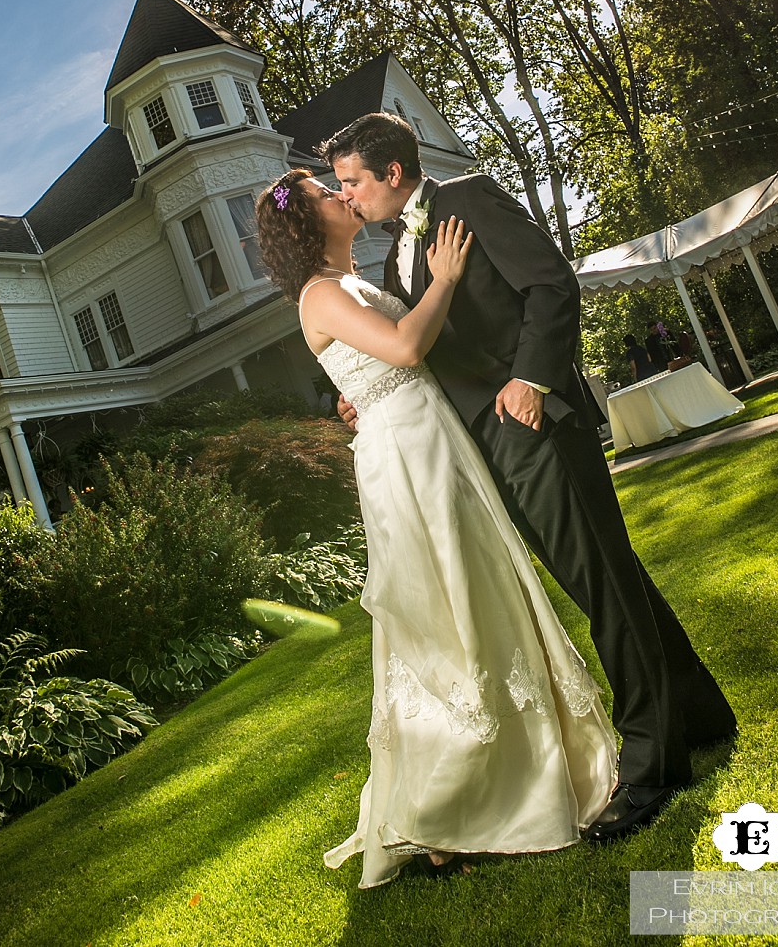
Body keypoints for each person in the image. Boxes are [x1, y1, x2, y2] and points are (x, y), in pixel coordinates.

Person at [321, 113, 736, 844]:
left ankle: (651, 769)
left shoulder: (470, 199)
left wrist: (532, 381)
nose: (346, 195)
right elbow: (421, 349)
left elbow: (549, 286)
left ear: (391, 173)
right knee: (608, 575)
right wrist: (364, 392)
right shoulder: (394, 260)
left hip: (536, 426)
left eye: (352, 180)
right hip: (487, 448)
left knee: (602, 586)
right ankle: (701, 715)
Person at [255, 169, 617, 888]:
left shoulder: (347, 282)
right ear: (309, 223)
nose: (342, 196)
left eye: (341, 185)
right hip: (410, 462)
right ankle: (452, 802)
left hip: (434, 439)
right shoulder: (321, 293)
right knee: (445, 613)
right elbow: (404, 349)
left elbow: (390, 364)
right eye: (329, 194)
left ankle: (515, 772)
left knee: (477, 600)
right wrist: (443, 279)